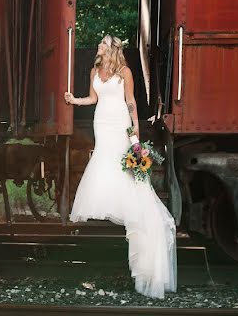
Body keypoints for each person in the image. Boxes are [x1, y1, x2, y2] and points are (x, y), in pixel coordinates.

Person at [64, 35, 177, 299]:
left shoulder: (125, 71)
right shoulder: (95, 70)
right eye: (100, 44)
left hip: (119, 123)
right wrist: (74, 100)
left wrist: (134, 132)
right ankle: (112, 201)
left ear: (112, 49)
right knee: (104, 161)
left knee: (123, 167)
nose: (99, 46)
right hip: (101, 124)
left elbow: (131, 102)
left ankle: (131, 209)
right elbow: (93, 99)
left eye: (102, 44)